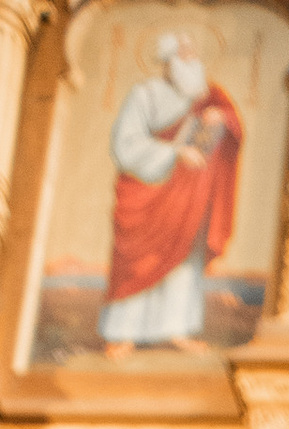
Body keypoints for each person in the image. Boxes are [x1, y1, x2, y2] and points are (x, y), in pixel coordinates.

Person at [99, 30, 242, 356]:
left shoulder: (207, 97)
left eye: (194, 54)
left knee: (182, 263)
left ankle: (176, 329)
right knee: (139, 260)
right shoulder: (145, 95)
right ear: (169, 61)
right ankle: (122, 332)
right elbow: (126, 145)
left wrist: (221, 117)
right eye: (185, 54)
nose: (193, 60)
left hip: (188, 197)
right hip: (149, 191)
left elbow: (233, 126)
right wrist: (174, 153)